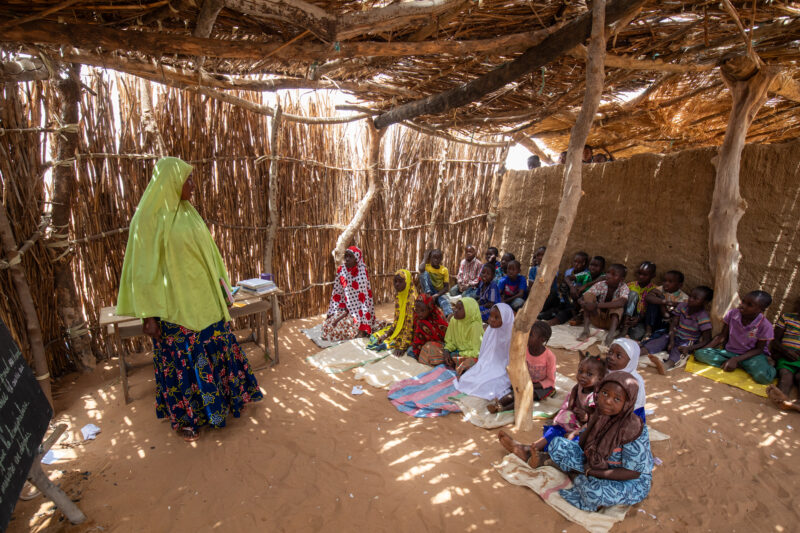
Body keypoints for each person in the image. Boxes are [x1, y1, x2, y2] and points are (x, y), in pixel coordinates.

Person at [117, 157, 262, 442]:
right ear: (172, 182)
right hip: (176, 310)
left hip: (206, 303)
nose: (193, 186)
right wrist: (148, 315)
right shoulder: (147, 219)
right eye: (188, 180)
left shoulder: (188, 213)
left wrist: (222, 291)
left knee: (215, 353)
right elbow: (143, 270)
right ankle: (189, 418)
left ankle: (224, 405)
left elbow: (210, 255)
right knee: (183, 362)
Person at [497, 355, 607, 467]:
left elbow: (595, 420)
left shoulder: (596, 397)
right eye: (580, 371)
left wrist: (585, 418)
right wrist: (564, 416)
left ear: (600, 378)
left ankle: (541, 459)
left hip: (583, 431)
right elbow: (568, 404)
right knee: (554, 431)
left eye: (589, 374)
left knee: (572, 442)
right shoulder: (577, 388)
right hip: (572, 424)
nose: (583, 376)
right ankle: (527, 449)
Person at [695, 290, 776, 385]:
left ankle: (764, 366)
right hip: (730, 352)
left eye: (749, 305)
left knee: (764, 378)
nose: (743, 305)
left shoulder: (765, 325)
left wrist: (736, 360)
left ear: (761, 310)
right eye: (743, 301)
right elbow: (722, 336)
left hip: (752, 356)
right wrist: (702, 350)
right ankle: (738, 364)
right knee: (700, 354)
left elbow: (759, 350)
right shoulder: (733, 314)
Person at [642, 286, 713, 374]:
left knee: (678, 353)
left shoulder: (703, 317)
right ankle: (637, 352)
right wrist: (671, 340)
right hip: (674, 336)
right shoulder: (682, 306)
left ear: (705, 302)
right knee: (659, 341)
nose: (690, 299)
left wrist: (689, 348)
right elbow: (673, 324)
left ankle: (665, 366)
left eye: (695, 298)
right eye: (690, 296)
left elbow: (707, 340)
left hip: (687, 342)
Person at [487, 321, 554, 413]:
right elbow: (520, 368)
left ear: (542, 340)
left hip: (542, 386)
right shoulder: (524, 351)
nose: (526, 336)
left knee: (528, 395)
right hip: (526, 381)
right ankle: (497, 404)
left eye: (531, 335)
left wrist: (532, 386)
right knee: (515, 392)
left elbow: (550, 380)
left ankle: (503, 409)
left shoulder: (549, 356)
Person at [455, 304, 514, 400]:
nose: (491, 319)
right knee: (465, 379)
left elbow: (510, 360)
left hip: (503, 369)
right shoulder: (490, 330)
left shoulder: (511, 335)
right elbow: (484, 353)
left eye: (496, 317)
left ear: (506, 319)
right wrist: (483, 365)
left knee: (489, 385)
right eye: (491, 316)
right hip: (486, 364)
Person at [321, 246, 376, 342]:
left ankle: (361, 328)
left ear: (357, 259)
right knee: (327, 326)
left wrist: (362, 327)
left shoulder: (362, 272)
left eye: (350, 257)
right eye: (346, 256)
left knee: (336, 331)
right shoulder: (341, 270)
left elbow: (364, 301)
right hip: (345, 309)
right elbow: (336, 292)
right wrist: (332, 313)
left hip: (359, 313)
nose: (347, 259)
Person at [577, 264, 629, 345]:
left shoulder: (624, 287)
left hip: (610, 322)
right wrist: (583, 303)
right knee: (588, 295)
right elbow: (583, 297)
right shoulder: (601, 284)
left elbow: (621, 302)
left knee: (617, 303)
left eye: (613, 274)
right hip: (596, 318)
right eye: (608, 273)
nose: (608, 276)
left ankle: (610, 336)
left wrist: (596, 305)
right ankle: (586, 331)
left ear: (621, 279)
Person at [368, 269, 417, 356]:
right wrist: (387, 334)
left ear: (407, 282)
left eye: (400, 281)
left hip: (411, 332)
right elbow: (397, 320)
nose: (397, 284)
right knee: (376, 336)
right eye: (395, 281)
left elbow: (409, 326)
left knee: (387, 344)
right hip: (401, 328)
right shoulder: (399, 295)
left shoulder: (411, 299)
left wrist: (402, 346)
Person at [767, 302, 800, 411]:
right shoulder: (787, 317)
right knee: (786, 375)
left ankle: (797, 405)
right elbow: (775, 340)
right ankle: (782, 398)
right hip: (786, 357)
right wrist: (786, 352)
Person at [606, 338, 647, 421]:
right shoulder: (604, 371)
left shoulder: (635, 381)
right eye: (610, 352)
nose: (611, 357)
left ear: (630, 361)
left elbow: (638, 404)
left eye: (618, 356)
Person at [441, 298, 484, 376]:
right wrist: (446, 350)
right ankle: (454, 363)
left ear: (469, 311)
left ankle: (457, 366)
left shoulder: (475, 326)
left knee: (471, 362)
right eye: (455, 308)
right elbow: (450, 341)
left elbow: (477, 352)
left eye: (459, 308)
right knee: (432, 348)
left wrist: (459, 354)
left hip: (469, 355)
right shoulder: (454, 320)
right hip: (456, 352)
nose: (455, 310)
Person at [644, 270, 689, 335]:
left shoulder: (684, 298)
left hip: (669, 324)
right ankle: (648, 332)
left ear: (680, 285)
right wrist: (664, 301)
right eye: (664, 281)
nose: (666, 283)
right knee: (652, 303)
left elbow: (671, 315)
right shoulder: (661, 289)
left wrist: (662, 302)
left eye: (670, 282)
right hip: (656, 319)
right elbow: (648, 297)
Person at [621, 261, 658, 341]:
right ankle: (625, 326)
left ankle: (626, 329)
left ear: (653, 276)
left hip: (641, 319)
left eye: (645, 275)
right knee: (633, 294)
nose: (641, 277)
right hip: (626, 315)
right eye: (639, 273)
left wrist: (639, 319)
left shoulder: (654, 290)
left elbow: (651, 311)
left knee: (636, 335)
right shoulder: (630, 285)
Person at [411, 294, 450, 361]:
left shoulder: (438, 318)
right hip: (424, 345)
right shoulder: (417, 317)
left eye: (423, 311)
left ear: (430, 308)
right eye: (417, 310)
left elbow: (446, 336)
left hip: (440, 344)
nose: (419, 314)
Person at [418, 248, 453, 317]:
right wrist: (425, 258)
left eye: (438, 258)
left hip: (438, 293)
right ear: (430, 258)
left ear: (441, 259)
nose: (436, 260)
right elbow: (421, 269)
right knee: (423, 274)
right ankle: (428, 294)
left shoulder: (444, 270)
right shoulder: (427, 267)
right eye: (434, 258)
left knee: (444, 302)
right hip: (429, 291)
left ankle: (449, 316)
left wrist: (436, 296)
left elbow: (446, 288)